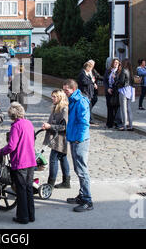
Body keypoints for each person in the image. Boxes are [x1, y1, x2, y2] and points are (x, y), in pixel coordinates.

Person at [0, 102, 37, 224]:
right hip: (31, 160)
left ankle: (23, 217)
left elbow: (11, 146)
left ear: (12, 115)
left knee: (21, 190)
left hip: (20, 161)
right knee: (28, 189)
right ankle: (31, 215)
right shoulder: (29, 123)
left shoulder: (16, 126)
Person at [62, 79, 93, 212]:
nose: (64, 92)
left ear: (73, 89)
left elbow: (84, 122)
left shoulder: (80, 101)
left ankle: (87, 200)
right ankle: (82, 195)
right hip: (74, 138)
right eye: (64, 90)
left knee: (82, 170)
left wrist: (79, 139)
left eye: (66, 90)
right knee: (78, 169)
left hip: (79, 140)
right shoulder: (73, 100)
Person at [42, 89, 70, 189]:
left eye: (54, 96)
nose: (52, 98)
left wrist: (50, 126)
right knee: (63, 158)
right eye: (52, 96)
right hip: (57, 138)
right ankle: (66, 182)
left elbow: (64, 127)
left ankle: (50, 184)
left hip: (61, 139)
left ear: (60, 97)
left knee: (53, 159)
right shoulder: (56, 108)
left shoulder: (64, 109)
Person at [116, 59, 134, 131]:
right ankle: (131, 125)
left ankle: (124, 125)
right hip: (130, 90)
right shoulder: (130, 71)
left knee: (123, 109)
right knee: (129, 109)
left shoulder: (124, 70)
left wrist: (116, 80)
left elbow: (122, 81)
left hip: (123, 90)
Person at [104, 58, 121, 129]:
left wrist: (115, 77)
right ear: (112, 63)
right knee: (109, 107)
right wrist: (107, 88)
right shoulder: (108, 71)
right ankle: (109, 123)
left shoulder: (120, 71)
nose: (116, 64)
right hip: (109, 91)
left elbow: (120, 82)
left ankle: (117, 123)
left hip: (116, 92)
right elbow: (105, 81)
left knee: (117, 107)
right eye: (115, 62)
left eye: (117, 63)